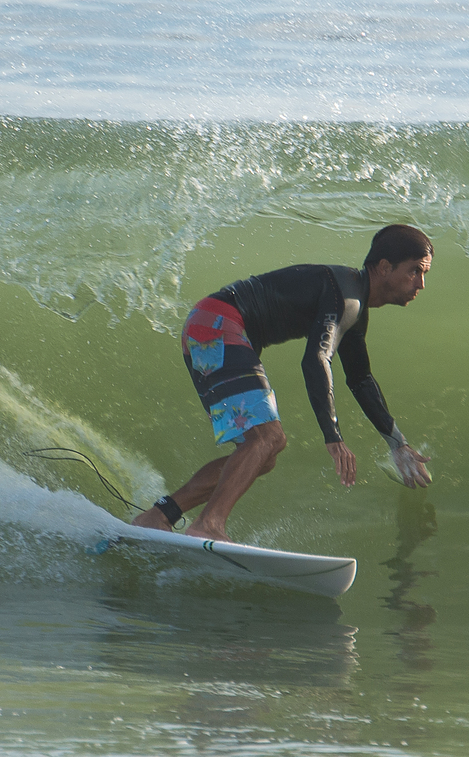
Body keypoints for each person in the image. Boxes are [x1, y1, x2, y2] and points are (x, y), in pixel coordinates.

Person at [129, 224, 434, 541]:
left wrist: (397, 444)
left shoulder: (352, 304)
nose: (421, 284)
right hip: (219, 324)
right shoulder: (346, 296)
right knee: (267, 439)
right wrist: (333, 437)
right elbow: (316, 359)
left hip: (208, 325)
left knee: (263, 455)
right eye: (415, 271)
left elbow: (360, 379)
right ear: (384, 267)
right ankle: (208, 525)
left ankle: (159, 516)